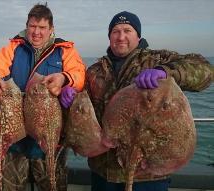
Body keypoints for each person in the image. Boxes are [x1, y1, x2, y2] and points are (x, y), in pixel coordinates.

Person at [85, 11, 213, 191]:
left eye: (127, 30)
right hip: (103, 173)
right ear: (109, 37)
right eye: (116, 31)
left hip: (148, 176)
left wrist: (166, 71)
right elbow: (83, 111)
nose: (121, 37)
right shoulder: (94, 71)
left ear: (138, 36)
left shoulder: (156, 60)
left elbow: (205, 71)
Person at [0, 3, 85, 191]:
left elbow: (79, 74)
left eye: (42, 27)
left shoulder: (65, 50)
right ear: (26, 26)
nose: (36, 32)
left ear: (51, 29)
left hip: (48, 137)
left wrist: (64, 78)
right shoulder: (13, 47)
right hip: (15, 138)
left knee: (52, 186)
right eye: (32, 26)